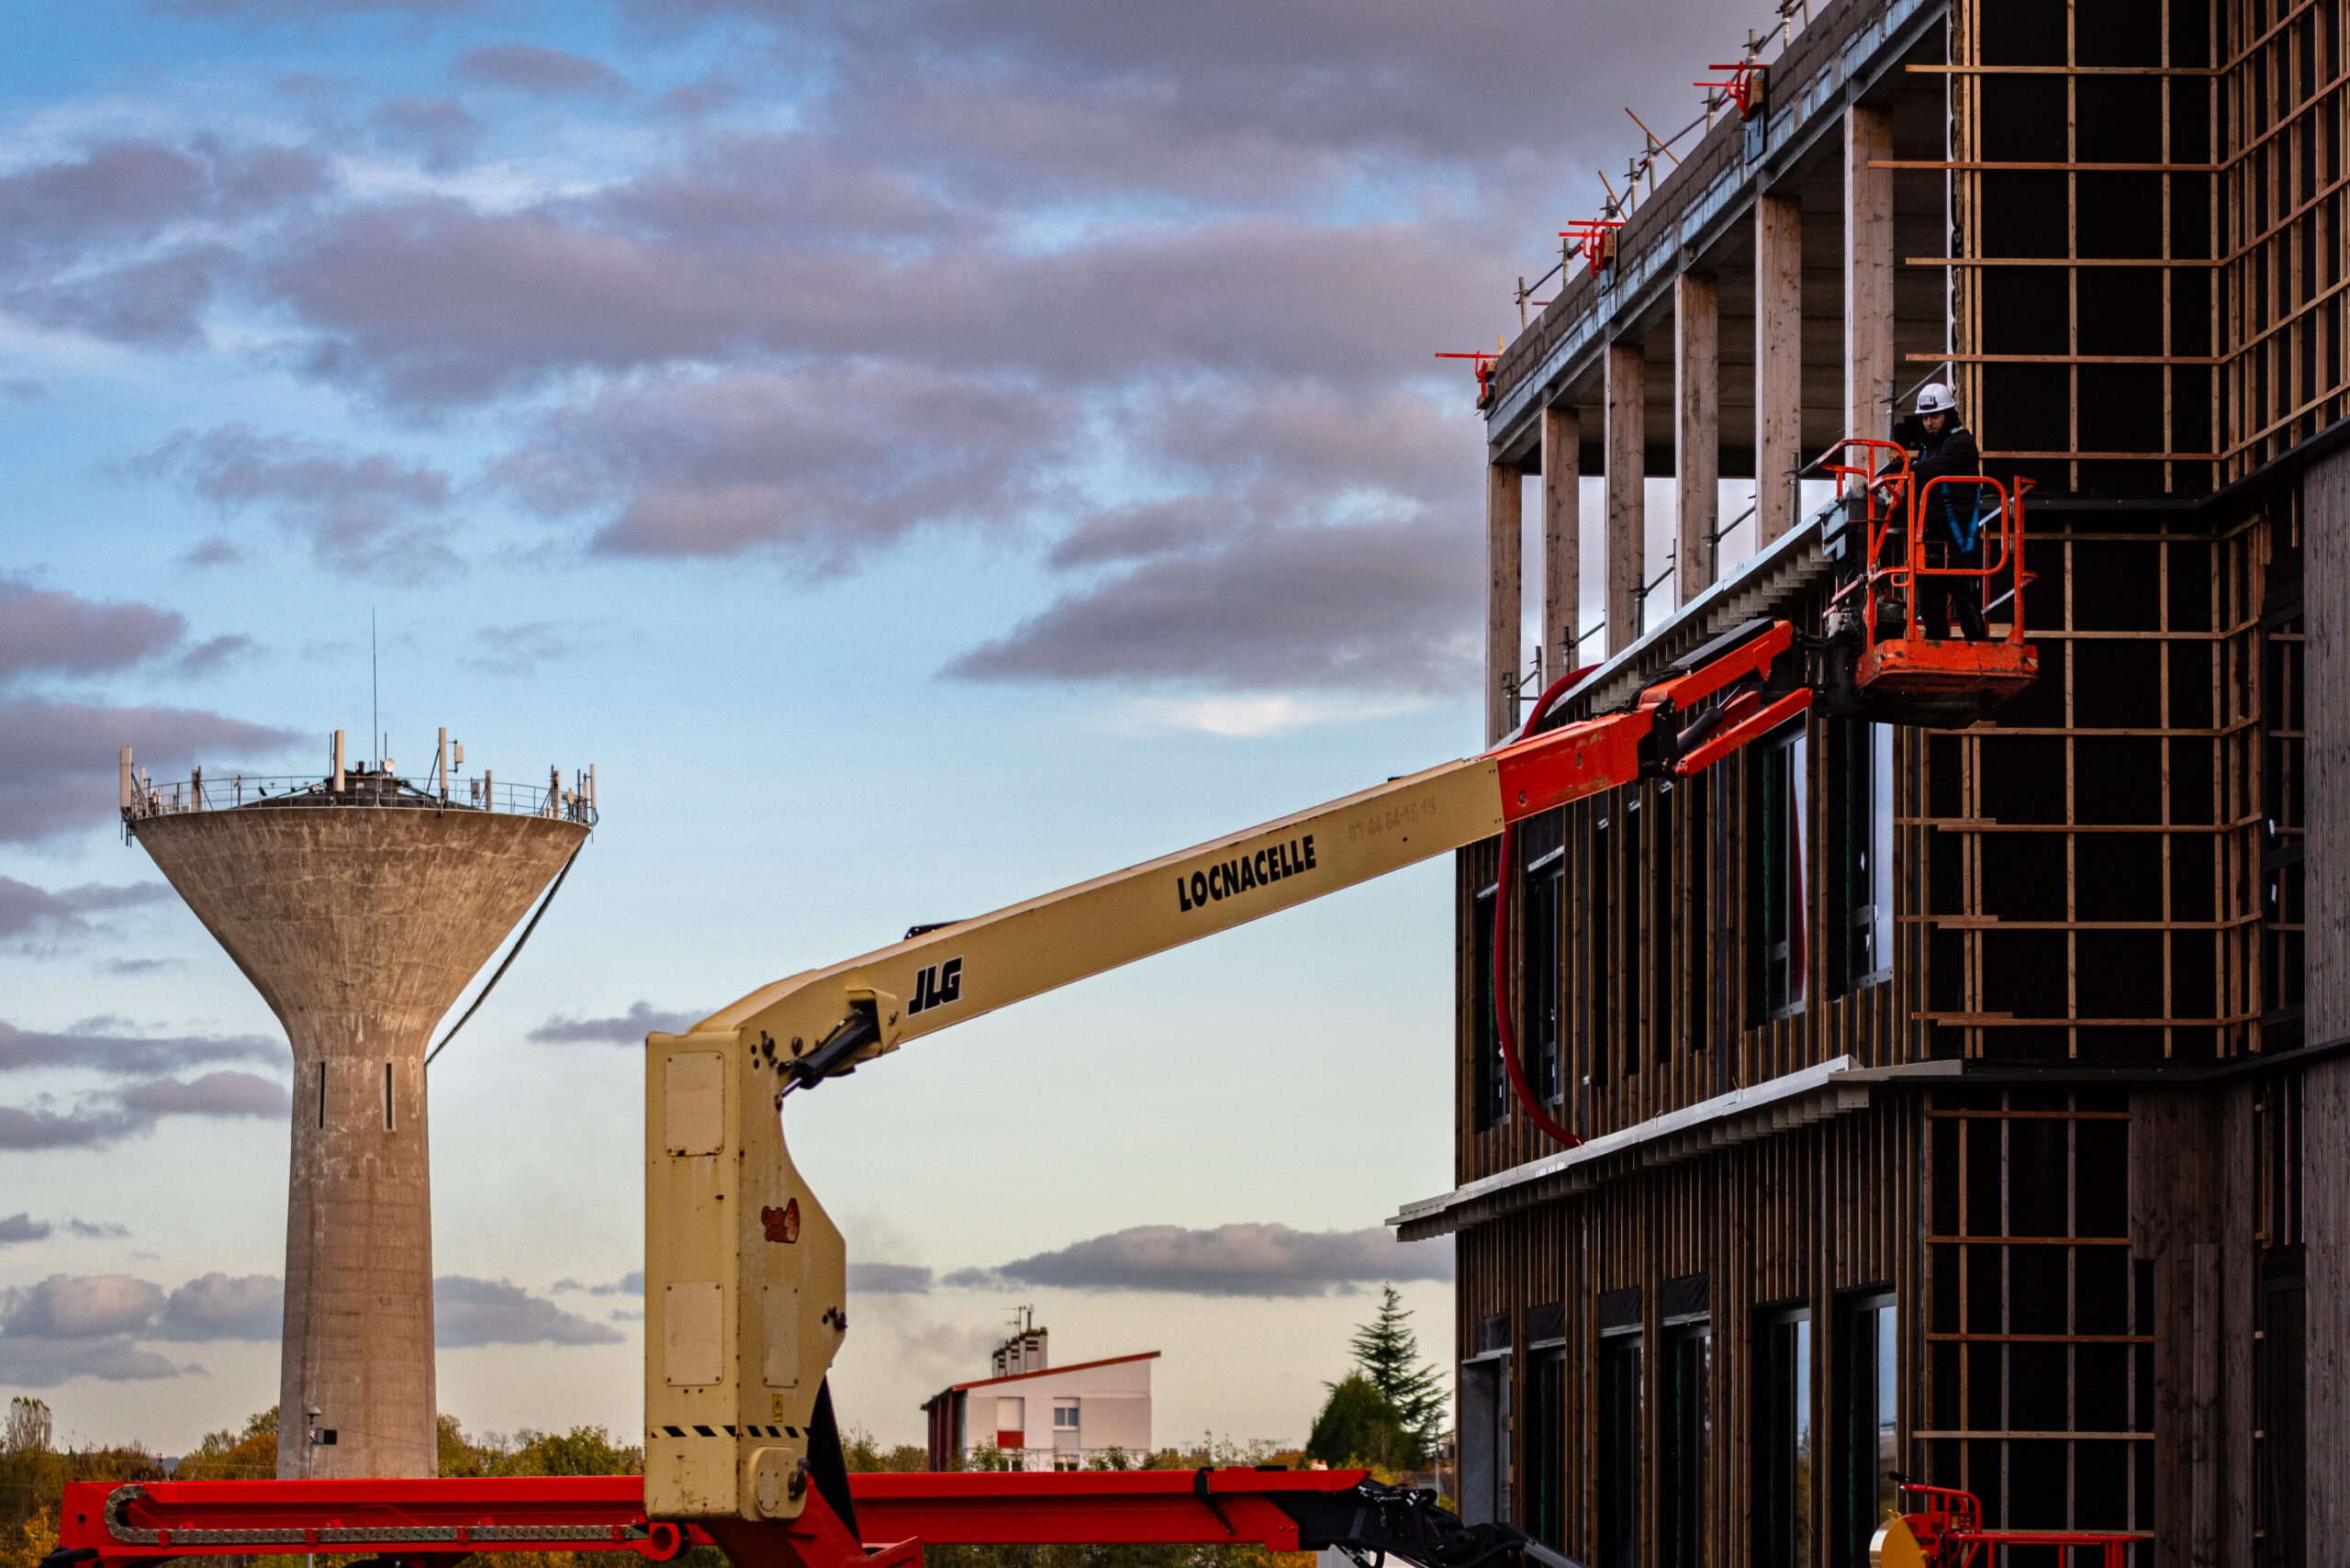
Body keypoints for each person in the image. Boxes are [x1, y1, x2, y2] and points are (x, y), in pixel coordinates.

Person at [1907, 383, 1989, 640]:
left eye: (1935, 416)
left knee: (1966, 600)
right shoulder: (1928, 448)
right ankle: (1936, 654)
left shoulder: (1961, 442)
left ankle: (1979, 651)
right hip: (1933, 538)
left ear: (1948, 414)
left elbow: (1936, 467)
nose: (1929, 422)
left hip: (1959, 539)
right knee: (1931, 607)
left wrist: (1907, 468)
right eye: (1925, 417)